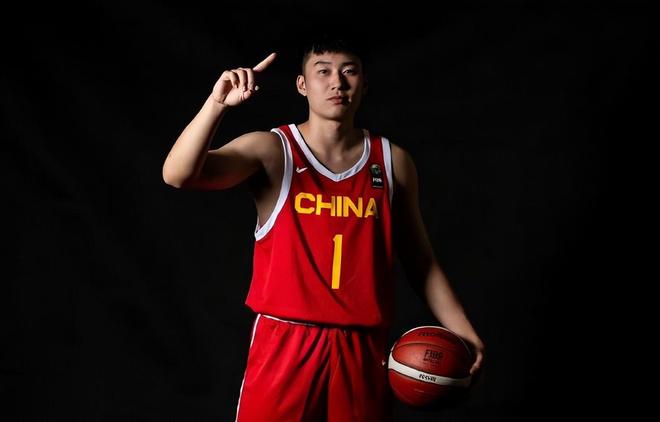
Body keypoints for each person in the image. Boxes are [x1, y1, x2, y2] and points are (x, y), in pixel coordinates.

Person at [162, 37, 485, 422]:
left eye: (349, 71)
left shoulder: (392, 162)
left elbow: (420, 261)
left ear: (364, 83)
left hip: (362, 348)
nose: (337, 82)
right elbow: (178, 174)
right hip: (285, 342)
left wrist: (464, 332)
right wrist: (216, 104)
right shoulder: (273, 150)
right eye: (324, 72)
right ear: (302, 84)